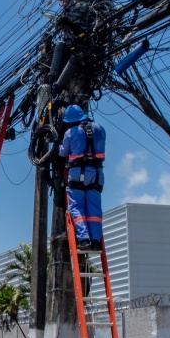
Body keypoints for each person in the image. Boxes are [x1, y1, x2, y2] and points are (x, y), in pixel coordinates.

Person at [58, 104, 106, 251]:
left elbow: (62, 153)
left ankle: (84, 240)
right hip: (97, 174)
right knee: (94, 208)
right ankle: (96, 241)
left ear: (71, 121)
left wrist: (56, 144)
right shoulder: (100, 129)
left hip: (78, 172)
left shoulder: (70, 132)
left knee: (77, 207)